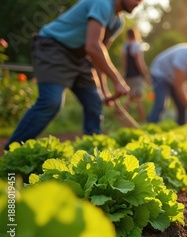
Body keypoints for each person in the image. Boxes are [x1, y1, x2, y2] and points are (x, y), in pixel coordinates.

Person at [4, 0, 143, 150]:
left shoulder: (117, 23)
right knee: (51, 101)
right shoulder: (102, 4)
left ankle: (92, 159)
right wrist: (117, 80)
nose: (138, 2)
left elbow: (99, 55)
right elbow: (93, 46)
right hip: (54, 48)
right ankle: (12, 152)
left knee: (94, 103)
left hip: (80, 58)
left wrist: (104, 90)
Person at [121, 28, 150, 123]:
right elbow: (139, 62)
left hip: (128, 75)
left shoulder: (125, 46)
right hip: (136, 76)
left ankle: (121, 113)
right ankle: (143, 122)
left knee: (131, 97)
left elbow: (124, 63)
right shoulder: (136, 46)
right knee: (138, 98)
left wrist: (123, 75)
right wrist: (145, 75)